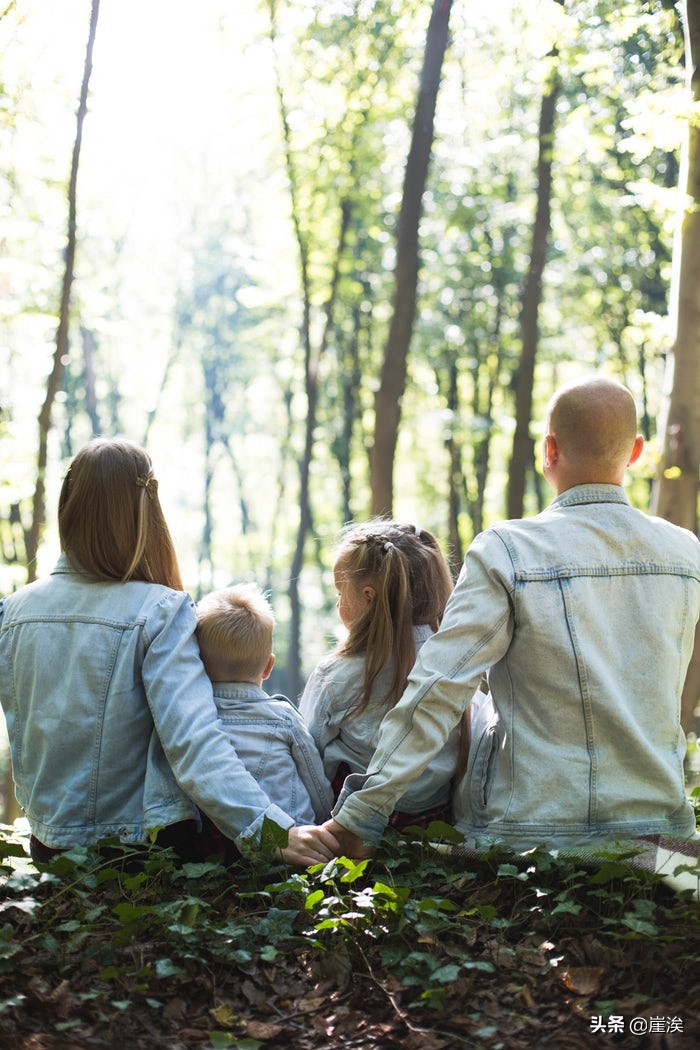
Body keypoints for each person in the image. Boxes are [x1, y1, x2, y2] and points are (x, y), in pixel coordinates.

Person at [324, 376, 700, 856]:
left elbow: (439, 688)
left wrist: (362, 814)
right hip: (661, 833)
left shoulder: (508, 550)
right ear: (636, 452)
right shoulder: (685, 553)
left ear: (549, 450)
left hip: (527, 832)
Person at [0, 437, 338, 866]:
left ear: (68, 505)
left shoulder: (12, 610)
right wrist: (272, 832)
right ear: (146, 513)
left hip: (48, 847)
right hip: (136, 852)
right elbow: (194, 742)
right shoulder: (160, 610)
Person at [299, 519, 477, 829]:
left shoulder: (336, 674)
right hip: (434, 822)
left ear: (368, 597)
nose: (339, 604)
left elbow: (307, 755)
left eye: (341, 594)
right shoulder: (456, 666)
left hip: (352, 827)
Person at [195, 582, 333, 831]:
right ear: (269, 667)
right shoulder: (283, 717)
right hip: (293, 836)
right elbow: (316, 783)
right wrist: (325, 821)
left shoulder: (192, 719)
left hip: (219, 845)